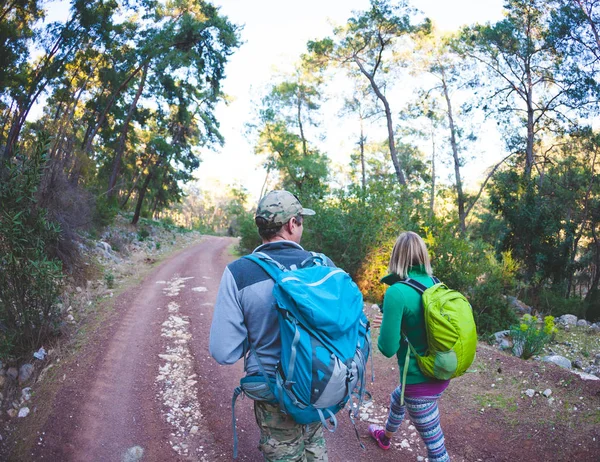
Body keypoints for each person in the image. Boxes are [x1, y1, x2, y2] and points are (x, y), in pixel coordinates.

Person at [209, 190, 332, 462]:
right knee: (314, 442)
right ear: (291, 224)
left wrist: (253, 335)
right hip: (319, 382)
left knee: (284, 452)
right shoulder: (322, 265)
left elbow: (223, 351)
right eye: (301, 220)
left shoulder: (239, 273)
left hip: (272, 388)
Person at [370, 231, 451, 462]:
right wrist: (394, 322)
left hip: (419, 386)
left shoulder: (396, 292)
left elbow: (387, 348)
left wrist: (388, 326)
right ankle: (385, 437)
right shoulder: (437, 284)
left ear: (396, 257)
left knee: (437, 452)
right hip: (441, 372)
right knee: (398, 398)